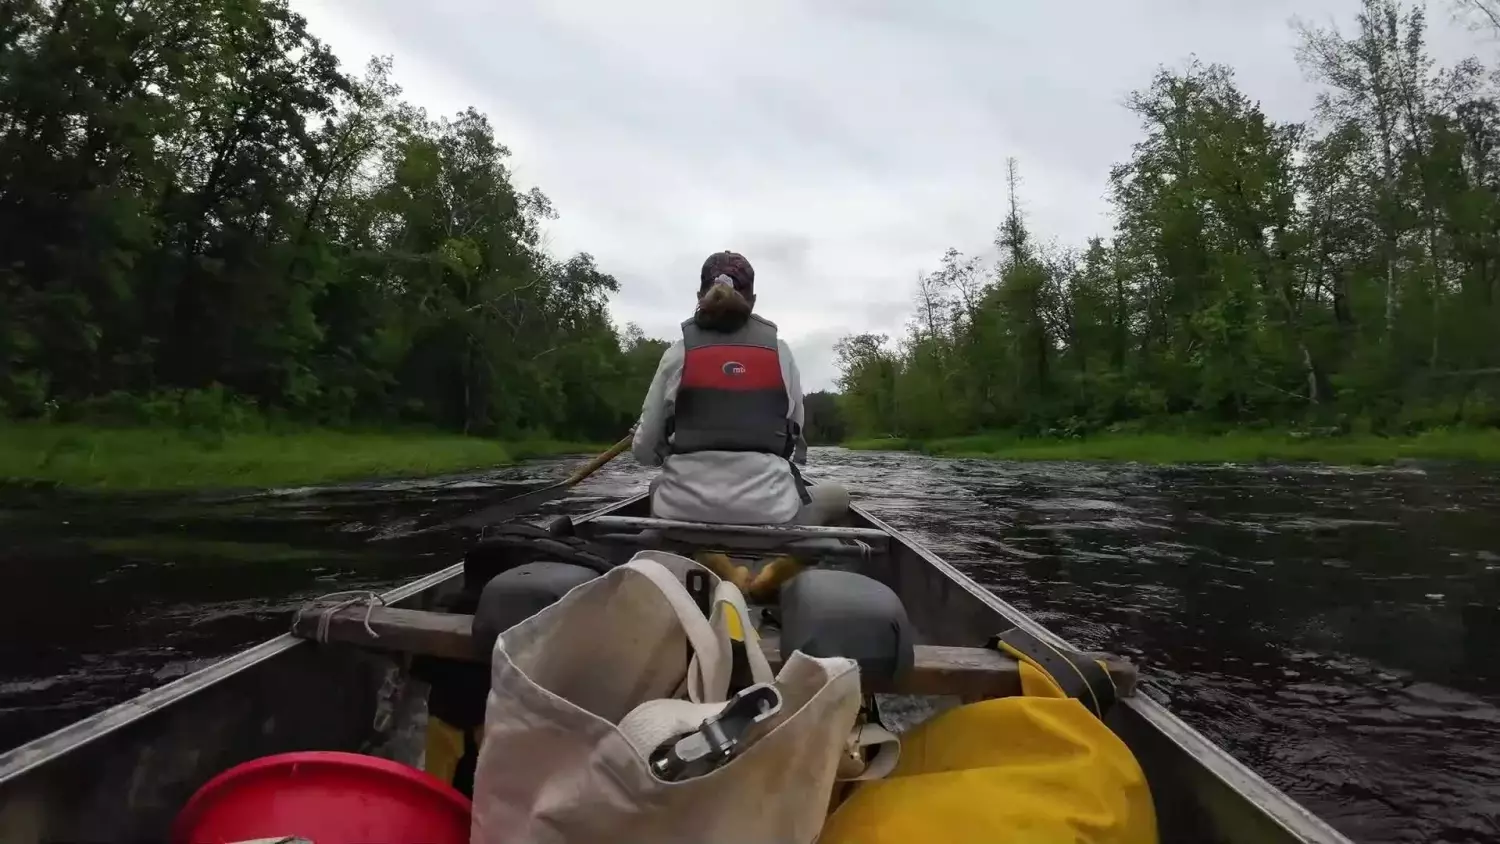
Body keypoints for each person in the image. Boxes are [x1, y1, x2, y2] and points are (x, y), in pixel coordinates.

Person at [631, 250, 849, 528]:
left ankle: (685, 549)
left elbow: (643, 451)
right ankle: (778, 559)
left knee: (657, 487)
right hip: (770, 512)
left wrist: (662, 449)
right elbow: (793, 434)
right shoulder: (780, 353)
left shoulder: (676, 354)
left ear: (699, 296)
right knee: (839, 496)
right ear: (753, 301)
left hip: (681, 513)